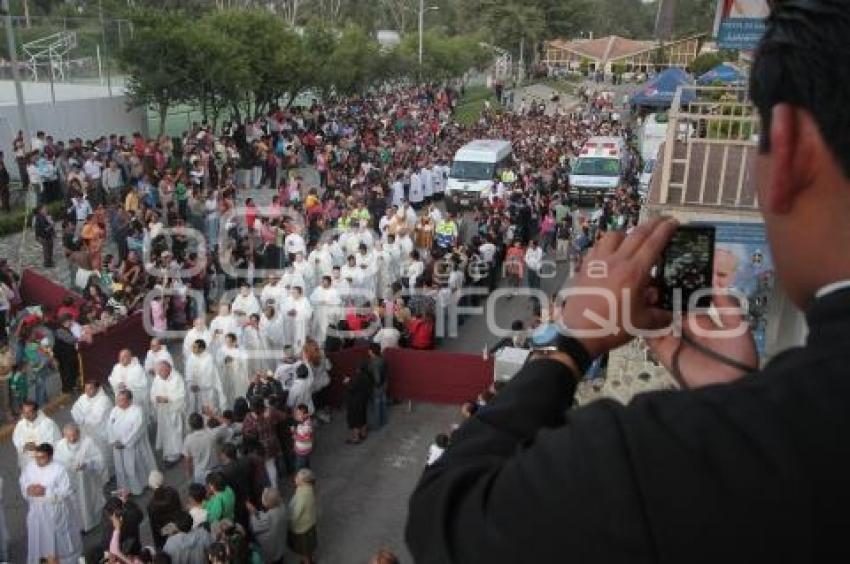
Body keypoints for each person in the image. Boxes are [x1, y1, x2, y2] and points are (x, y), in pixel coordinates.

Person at [406, 5, 850, 562]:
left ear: (787, 150)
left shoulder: (649, 461)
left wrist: (568, 345)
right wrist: (734, 404)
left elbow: (449, 519)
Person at [20, 443, 83, 564]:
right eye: (36, 457)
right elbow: (23, 481)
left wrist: (46, 491)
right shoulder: (30, 466)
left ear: (50, 456)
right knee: (39, 538)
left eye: (42, 457)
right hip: (36, 510)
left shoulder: (60, 469)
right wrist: (28, 489)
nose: (38, 460)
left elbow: (67, 490)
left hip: (55, 512)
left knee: (58, 540)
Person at [54, 422, 107, 533]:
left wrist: (87, 464)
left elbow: (99, 459)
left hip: (87, 481)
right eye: (69, 436)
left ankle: (92, 522)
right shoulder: (60, 446)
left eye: (74, 435)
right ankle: (79, 526)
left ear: (78, 433)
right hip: (70, 481)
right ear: (64, 436)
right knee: (74, 503)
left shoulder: (88, 443)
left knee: (88, 501)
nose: (72, 439)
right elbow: (57, 463)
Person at [107, 390, 157, 496]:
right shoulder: (115, 410)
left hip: (132, 446)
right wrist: (113, 441)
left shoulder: (137, 411)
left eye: (122, 400)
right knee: (120, 468)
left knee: (133, 466)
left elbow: (137, 429)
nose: (119, 403)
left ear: (130, 400)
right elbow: (109, 426)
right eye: (118, 400)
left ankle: (138, 487)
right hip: (117, 445)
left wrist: (125, 442)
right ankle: (124, 489)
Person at [71, 380, 114, 477]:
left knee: (102, 454)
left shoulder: (104, 400)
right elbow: (74, 409)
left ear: (97, 388)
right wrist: (80, 418)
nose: (87, 391)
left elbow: (97, 417)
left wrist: (83, 418)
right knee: (89, 453)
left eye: (90, 389)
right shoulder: (83, 398)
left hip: (100, 433)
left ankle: (106, 476)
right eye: (85, 389)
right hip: (85, 431)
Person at [12, 400, 61, 469]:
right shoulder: (21, 424)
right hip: (27, 461)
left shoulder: (48, 424)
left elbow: (55, 442)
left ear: (36, 411)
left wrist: (38, 447)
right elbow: (16, 439)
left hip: (44, 461)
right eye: (25, 412)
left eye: (29, 412)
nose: (27, 416)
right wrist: (24, 446)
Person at [183, 412, 228, 483]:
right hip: (215, 469)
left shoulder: (188, 439)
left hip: (200, 473)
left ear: (191, 426)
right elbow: (226, 423)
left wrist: (189, 476)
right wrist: (212, 414)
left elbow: (188, 460)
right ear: (203, 422)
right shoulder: (212, 433)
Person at [248, 487, 289, 564]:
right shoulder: (282, 507)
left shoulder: (269, 517)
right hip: (280, 543)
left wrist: (253, 513)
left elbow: (255, 526)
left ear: (267, 503)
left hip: (271, 549)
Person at [147, 470, 183, 552]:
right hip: (179, 524)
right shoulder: (173, 491)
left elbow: (155, 527)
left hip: (165, 534)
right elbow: (180, 508)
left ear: (151, 485)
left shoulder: (151, 505)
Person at [288, 468, 317, 564]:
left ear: (304, 481)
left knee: (304, 550)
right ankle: (310, 559)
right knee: (308, 548)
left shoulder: (302, 495)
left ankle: (307, 562)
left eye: (298, 478)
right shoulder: (309, 488)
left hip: (302, 528)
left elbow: (296, 514)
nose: (295, 478)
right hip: (309, 523)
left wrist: (289, 522)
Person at [344, 362, 372, 444]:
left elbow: (351, 388)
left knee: (354, 420)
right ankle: (363, 433)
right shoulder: (368, 376)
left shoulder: (358, 378)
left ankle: (356, 438)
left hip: (355, 402)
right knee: (363, 416)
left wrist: (347, 382)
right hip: (363, 400)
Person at [292, 404, 313, 470]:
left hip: (303, 450)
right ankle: (308, 475)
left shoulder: (307, 426)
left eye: (299, 414)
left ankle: (298, 478)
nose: (296, 416)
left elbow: (307, 439)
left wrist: (295, 437)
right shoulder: (303, 422)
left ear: (305, 415)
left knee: (299, 467)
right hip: (303, 449)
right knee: (306, 463)